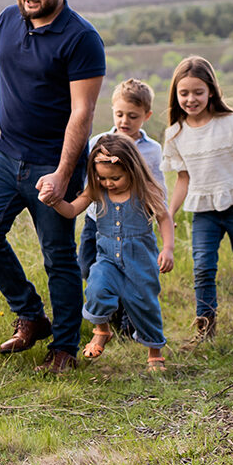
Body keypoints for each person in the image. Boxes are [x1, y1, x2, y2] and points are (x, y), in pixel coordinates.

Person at [0, 0, 106, 373]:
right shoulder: (7, 20)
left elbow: (83, 113)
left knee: (58, 255)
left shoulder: (82, 39)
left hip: (52, 161)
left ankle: (64, 348)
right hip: (7, 153)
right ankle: (31, 315)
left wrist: (64, 173)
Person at [161, 55, 233, 344]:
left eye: (198, 92)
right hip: (203, 212)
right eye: (184, 93)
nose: (191, 99)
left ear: (211, 90)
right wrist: (170, 213)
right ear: (175, 94)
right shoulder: (175, 135)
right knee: (202, 267)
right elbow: (183, 180)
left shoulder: (231, 123)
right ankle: (206, 328)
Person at [40, 134, 175, 371]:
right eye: (102, 178)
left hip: (141, 261)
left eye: (115, 178)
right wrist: (54, 201)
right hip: (107, 259)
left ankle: (155, 353)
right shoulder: (96, 192)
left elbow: (164, 218)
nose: (108, 183)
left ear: (132, 170)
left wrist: (167, 249)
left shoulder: (145, 192)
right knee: (96, 288)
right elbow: (71, 210)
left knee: (145, 304)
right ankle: (101, 330)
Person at [76, 78, 164, 359]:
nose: (125, 120)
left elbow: (157, 188)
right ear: (113, 111)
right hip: (97, 222)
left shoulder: (151, 149)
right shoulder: (97, 143)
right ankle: (105, 322)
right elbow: (89, 182)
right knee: (91, 272)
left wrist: (160, 222)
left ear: (146, 116)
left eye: (133, 116)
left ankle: (131, 326)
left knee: (137, 283)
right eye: (120, 114)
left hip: (133, 224)